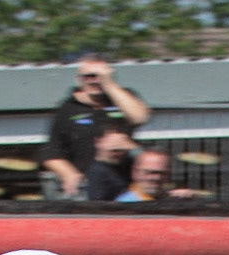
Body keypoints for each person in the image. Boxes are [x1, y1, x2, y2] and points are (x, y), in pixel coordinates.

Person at [38, 56, 150, 200]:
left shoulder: (123, 98)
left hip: (125, 187)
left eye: (99, 76)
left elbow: (140, 117)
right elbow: (50, 153)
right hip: (88, 189)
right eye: (88, 76)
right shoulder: (68, 108)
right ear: (79, 79)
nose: (94, 80)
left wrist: (109, 85)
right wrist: (69, 173)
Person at [115, 148, 197, 201]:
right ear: (135, 173)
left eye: (162, 173)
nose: (156, 178)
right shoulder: (126, 203)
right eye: (150, 172)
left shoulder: (171, 200)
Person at [83, 129, 138, 203]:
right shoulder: (98, 171)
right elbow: (97, 204)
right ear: (98, 142)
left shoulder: (124, 165)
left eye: (121, 150)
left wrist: (133, 148)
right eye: (113, 150)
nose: (117, 154)